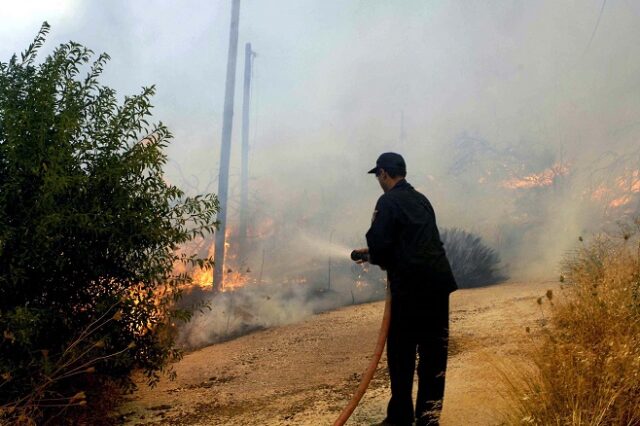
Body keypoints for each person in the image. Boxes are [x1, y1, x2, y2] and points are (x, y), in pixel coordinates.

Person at [353, 152, 457, 426]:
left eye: (378, 175)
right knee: (434, 358)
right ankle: (429, 419)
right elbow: (416, 240)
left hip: (411, 290)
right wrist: (378, 254)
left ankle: (399, 419)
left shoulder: (388, 202)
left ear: (384, 173)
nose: (378, 180)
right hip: (437, 287)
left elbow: (381, 244)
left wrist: (374, 255)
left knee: (401, 355)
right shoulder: (421, 200)